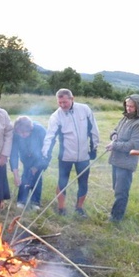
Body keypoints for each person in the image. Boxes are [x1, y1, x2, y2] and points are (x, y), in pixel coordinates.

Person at [42, 88, 100, 217]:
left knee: (83, 182)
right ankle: (61, 208)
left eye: (65, 102)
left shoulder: (84, 109)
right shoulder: (56, 116)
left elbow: (93, 129)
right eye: (60, 103)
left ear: (72, 99)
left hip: (84, 156)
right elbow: (50, 137)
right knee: (62, 182)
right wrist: (46, 155)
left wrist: (94, 148)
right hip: (66, 156)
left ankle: (79, 208)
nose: (62, 105)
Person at [106, 94, 139, 222]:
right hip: (116, 159)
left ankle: (116, 218)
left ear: (138, 107)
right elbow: (115, 130)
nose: (128, 108)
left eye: (131, 106)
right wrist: (114, 136)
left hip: (126, 163)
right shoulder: (125, 118)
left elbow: (133, 145)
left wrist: (114, 145)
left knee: (121, 192)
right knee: (116, 188)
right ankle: (117, 213)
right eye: (127, 105)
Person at [10, 116, 49, 210]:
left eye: (24, 132)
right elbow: (13, 154)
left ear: (30, 129)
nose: (22, 134)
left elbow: (47, 150)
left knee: (37, 177)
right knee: (26, 175)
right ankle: (21, 200)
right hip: (26, 158)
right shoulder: (16, 134)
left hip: (40, 157)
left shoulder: (40, 131)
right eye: (20, 132)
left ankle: (35, 202)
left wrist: (37, 166)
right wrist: (15, 175)